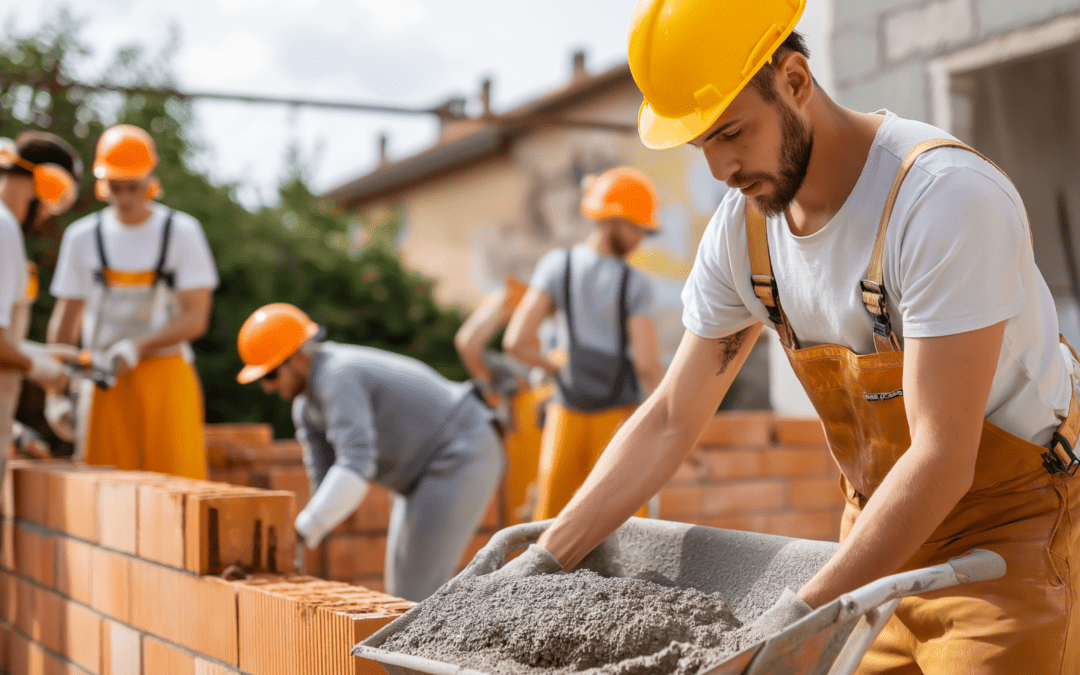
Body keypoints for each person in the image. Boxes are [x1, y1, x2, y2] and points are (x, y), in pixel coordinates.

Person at [497, 1, 1080, 672]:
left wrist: (791, 620)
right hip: (877, 534)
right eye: (702, 144)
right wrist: (547, 555)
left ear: (796, 81)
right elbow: (666, 418)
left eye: (733, 132)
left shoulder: (941, 202)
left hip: (1006, 541)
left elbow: (942, 457)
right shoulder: (744, 234)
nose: (720, 168)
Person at [237, 303, 504, 601]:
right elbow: (325, 480)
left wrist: (301, 531)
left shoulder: (337, 376)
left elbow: (355, 466)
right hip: (420, 473)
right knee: (404, 595)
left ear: (298, 355)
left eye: (271, 374)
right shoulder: (307, 407)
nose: (268, 387)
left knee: (418, 596)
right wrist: (300, 539)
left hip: (460, 449)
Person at [46, 124, 217, 479]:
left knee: (178, 489)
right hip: (102, 378)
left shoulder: (181, 232)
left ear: (151, 179)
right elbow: (66, 322)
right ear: (102, 182)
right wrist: (56, 392)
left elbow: (195, 318)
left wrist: (138, 346)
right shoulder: (82, 237)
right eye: (115, 187)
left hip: (166, 377)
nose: (124, 198)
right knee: (106, 495)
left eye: (133, 187)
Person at [504, 167, 665, 521]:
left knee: (552, 522)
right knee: (625, 525)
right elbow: (648, 366)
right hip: (617, 418)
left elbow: (516, 342)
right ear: (612, 219)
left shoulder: (556, 266)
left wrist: (557, 365)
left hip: (566, 412)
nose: (641, 238)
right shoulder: (636, 284)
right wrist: (670, 421)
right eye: (638, 227)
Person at [0, 132, 82, 471]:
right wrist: (48, 372)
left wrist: (44, 355)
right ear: (50, 184)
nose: (49, 215)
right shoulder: (4, 229)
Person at [455, 275, 553, 524]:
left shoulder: (571, 369)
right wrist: (500, 305)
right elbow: (468, 344)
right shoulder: (512, 376)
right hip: (522, 504)